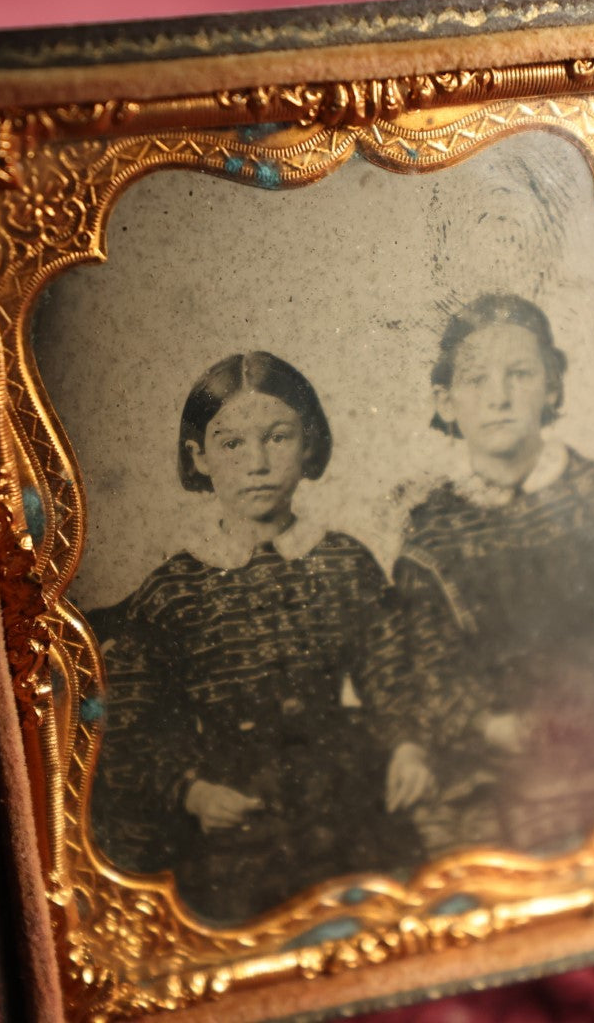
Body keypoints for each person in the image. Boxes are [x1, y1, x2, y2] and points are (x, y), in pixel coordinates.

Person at [91, 351, 420, 923]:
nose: (258, 463)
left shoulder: (343, 562)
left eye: (278, 438)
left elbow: (390, 667)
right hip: (233, 811)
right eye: (232, 444)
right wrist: (190, 791)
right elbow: (131, 725)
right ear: (200, 457)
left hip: (341, 794)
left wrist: (407, 744)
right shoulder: (176, 589)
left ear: (309, 445)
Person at [392, 294, 594, 858]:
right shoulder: (431, 530)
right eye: (476, 381)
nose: (499, 398)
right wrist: (481, 723)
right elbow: (423, 658)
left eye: (519, 375)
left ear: (551, 386)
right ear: (446, 402)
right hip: (486, 742)